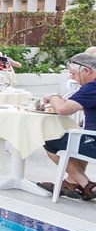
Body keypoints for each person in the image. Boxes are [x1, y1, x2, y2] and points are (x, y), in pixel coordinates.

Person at [39, 52, 96, 200]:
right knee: (76, 139)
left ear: (87, 71)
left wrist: (52, 96)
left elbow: (63, 109)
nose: (71, 78)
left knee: (52, 141)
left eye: (73, 73)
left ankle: (87, 185)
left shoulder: (92, 87)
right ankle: (70, 183)